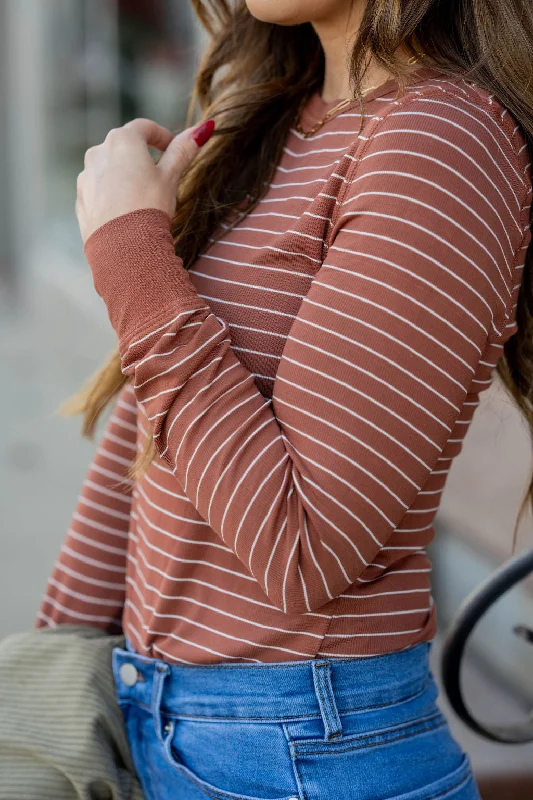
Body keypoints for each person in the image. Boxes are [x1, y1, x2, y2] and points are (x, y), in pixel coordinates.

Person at [36, 0, 533, 798]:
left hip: (301, 756)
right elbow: (149, 429)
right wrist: (49, 674)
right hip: (164, 720)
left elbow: (304, 549)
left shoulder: (438, 141)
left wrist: (130, 252)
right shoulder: (276, 118)